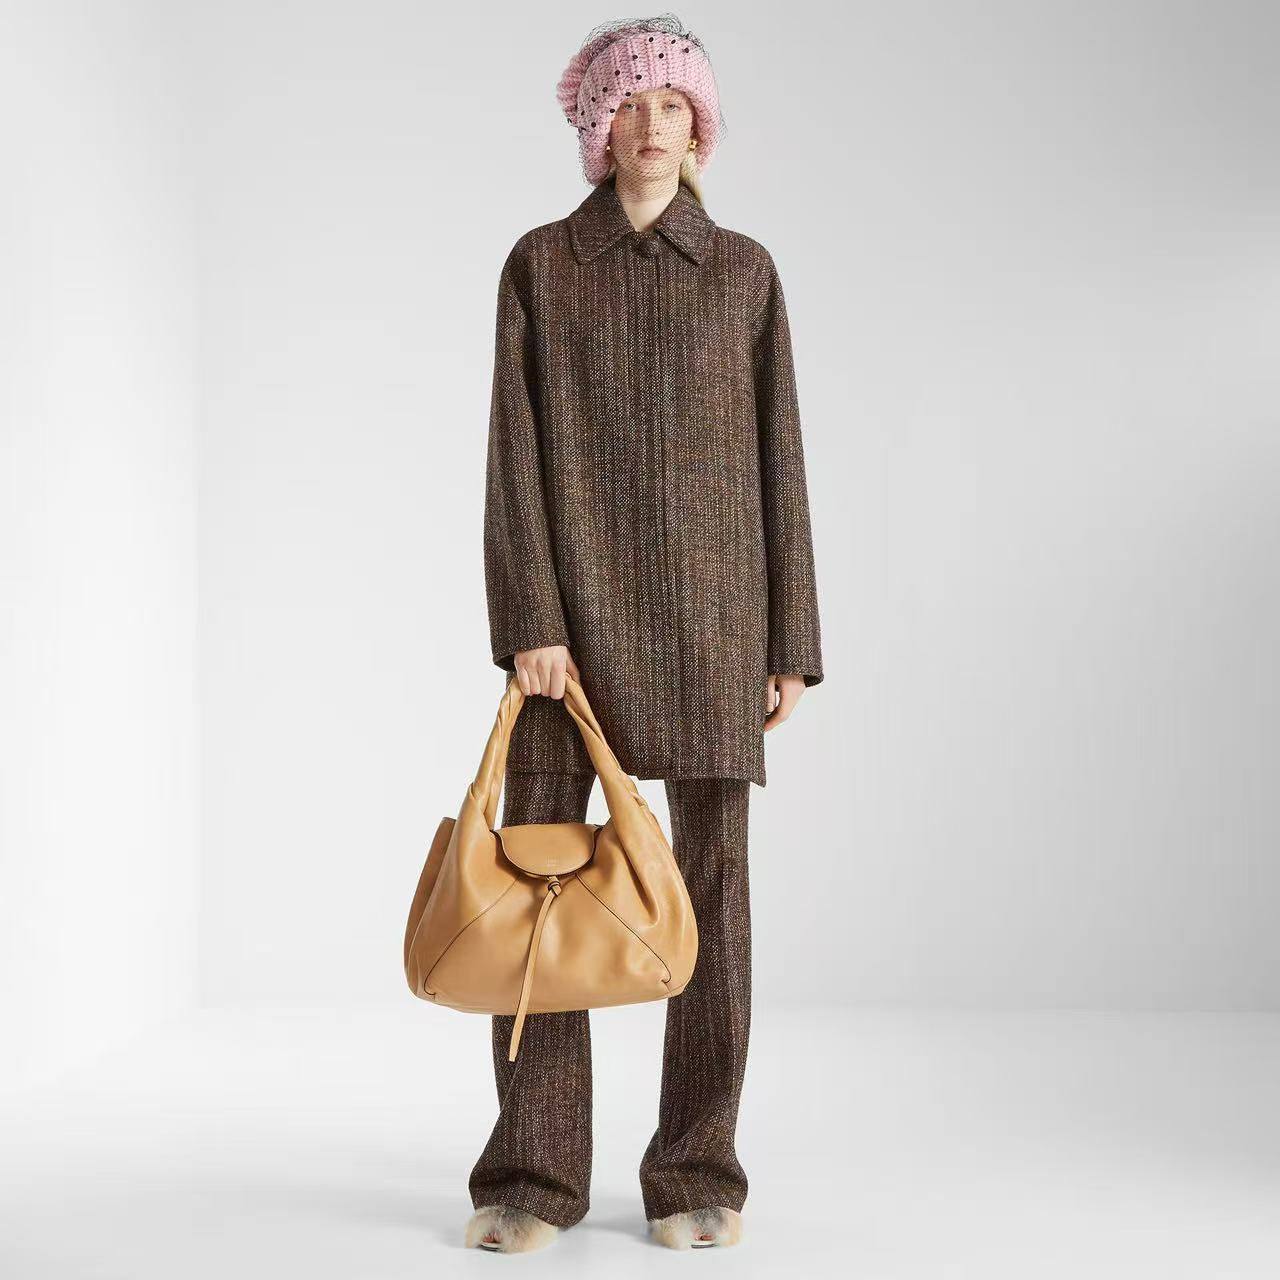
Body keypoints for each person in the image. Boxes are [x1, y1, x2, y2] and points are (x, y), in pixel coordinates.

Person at [466, 14, 824, 1253]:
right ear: (597, 128)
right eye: (629, 104)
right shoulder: (540, 265)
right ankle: (532, 1174)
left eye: (673, 104)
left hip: (717, 618)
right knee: (536, 890)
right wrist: (530, 620)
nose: (652, 123)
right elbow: (512, 454)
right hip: (566, 639)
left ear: (699, 127)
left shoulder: (743, 272)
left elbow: (780, 459)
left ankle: (694, 1169)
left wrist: (788, 637)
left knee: (709, 897)